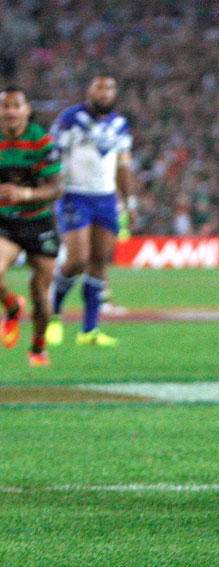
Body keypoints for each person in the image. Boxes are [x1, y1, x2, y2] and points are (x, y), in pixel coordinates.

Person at [46, 75, 135, 347]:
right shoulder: (70, 119)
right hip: (75, 195)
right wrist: (54, 185)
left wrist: (129, 201)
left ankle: (89, 330)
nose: (105, 93)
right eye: (100, 88)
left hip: (106, 199)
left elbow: (122, 165)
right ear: (90, 91)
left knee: (99, 262)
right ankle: (53, 315)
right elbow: (52, 154)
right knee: (76, 260)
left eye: (110, 88)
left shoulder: (120, 125)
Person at [0, 86, 63, 366]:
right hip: (5, 222)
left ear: (26, 110)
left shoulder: (42, 142)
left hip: (38, 222)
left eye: (16, 105)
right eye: (5, 106)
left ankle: (37, 346)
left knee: (41, 293)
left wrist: (24, 194)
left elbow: (56, 188)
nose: (10, 110)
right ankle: (12, 307)